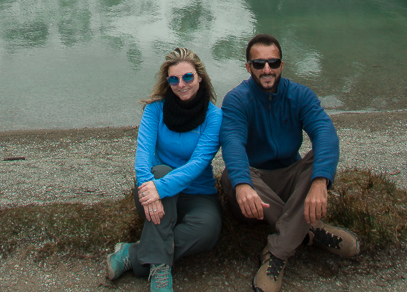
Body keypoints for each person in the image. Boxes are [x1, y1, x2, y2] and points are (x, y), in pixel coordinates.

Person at [220, 34, 359, 292]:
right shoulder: (236, 100)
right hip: (256, 185)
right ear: (248, 67)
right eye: (259, 64)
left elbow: (325, 133)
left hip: (290, 177)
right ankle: (310, 229)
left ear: (282, 65)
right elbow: (232, 144)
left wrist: (319, 182)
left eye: (273, 62)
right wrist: (242, 185)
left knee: (319, 158)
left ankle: (277, 253)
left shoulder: (300, 95)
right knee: (231, 175)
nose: (267, 69)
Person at [106, 47, 222, 291]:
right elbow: (143, 154)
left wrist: (160, 188)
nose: (182, 84)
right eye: (174, 79)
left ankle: (132, 253)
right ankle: (160, 269)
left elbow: (198, 164)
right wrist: (152, 186)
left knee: (208, 229)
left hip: (197, 193)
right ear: (167, 82)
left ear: (200, 77)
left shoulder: (214, 117)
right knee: (160, 170)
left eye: (188, 77)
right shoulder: (155, 110)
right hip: (154, 188)